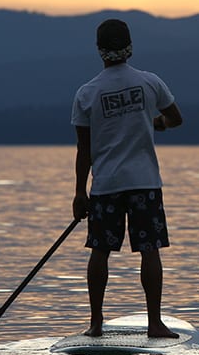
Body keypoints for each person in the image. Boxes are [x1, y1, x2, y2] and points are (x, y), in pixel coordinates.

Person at [71, 18, 183, 338]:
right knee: (150, 250)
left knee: (100, 251)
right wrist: (154, 124)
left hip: (105, 184)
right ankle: (155, 323)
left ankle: (95, 323)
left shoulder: (87, 92)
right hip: (144, 182)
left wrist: (80, 192)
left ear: (99, 50)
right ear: (130, 46)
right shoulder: (150, 82)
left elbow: (84, 148)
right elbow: (176, 118)